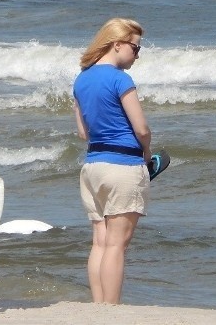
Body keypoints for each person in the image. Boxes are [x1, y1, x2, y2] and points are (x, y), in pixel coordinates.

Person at [72, 17, 151, 304]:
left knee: (100, 243)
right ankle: (112, 309)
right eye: (135, 48)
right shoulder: (121, 79)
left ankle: (98, 307)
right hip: (123, 166)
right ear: (117, 44)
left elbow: (83, 132)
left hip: (93, 166)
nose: (137, 54)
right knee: (117, 245)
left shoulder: (81, 79)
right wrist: (146, 151)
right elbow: (141, 128)